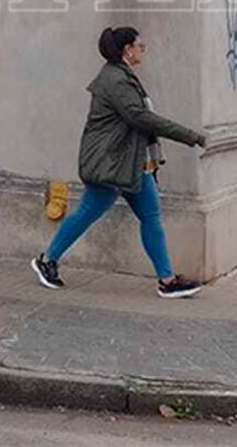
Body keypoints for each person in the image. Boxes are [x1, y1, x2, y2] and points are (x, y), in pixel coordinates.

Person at [31, 27, 207, 299]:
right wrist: (190, 136)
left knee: (151, 217)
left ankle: (167, 280)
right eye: (140, 45)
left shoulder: (122, 76)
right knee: (87, 212)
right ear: (127, 49)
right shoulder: (115, 80)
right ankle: (47, 259)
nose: (143, 49)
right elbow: (140, 117)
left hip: (130, 162)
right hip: (112, 163)